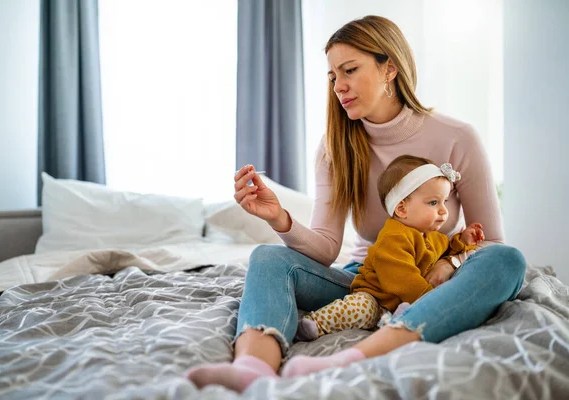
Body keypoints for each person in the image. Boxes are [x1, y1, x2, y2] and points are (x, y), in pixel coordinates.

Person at [186, 15, 526, 391]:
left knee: (507, 261)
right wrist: (280, 218)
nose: (339, 86)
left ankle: (356, 357)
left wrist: (451, 262)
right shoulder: (334, 148)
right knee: (267, 257)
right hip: (364, 281)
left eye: (349, 70)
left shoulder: (457, 138)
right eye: (333, 77)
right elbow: (327, 249)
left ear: (389, 69)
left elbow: (491, 240)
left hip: (433, 280)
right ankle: (253, 366)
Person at [295, 155, 485, 342]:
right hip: (377, 299)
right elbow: (404, 280)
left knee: (407, 319)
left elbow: (447, 250)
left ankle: (394, 324)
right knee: (360, 308)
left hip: (400, 305)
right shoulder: (393, 238)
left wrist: (464, 240)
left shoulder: (432, 236)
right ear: (402, 209)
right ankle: (315, 324)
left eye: (445, 202)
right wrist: (432, 301)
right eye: (433, 203)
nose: (444, 211)